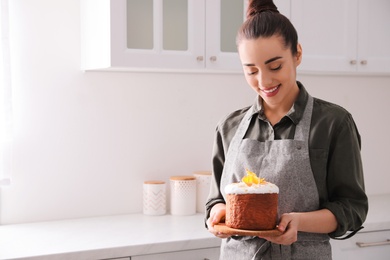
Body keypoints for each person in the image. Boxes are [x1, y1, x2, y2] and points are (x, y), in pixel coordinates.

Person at [205, 0, 368, 259]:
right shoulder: (229, 127)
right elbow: (216, 201)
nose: (264, 81)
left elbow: (352, 209)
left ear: (297, 54)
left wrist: (298, 222)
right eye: (251, 71)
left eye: (275, 66)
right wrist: (218, 214)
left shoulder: (333, 123)